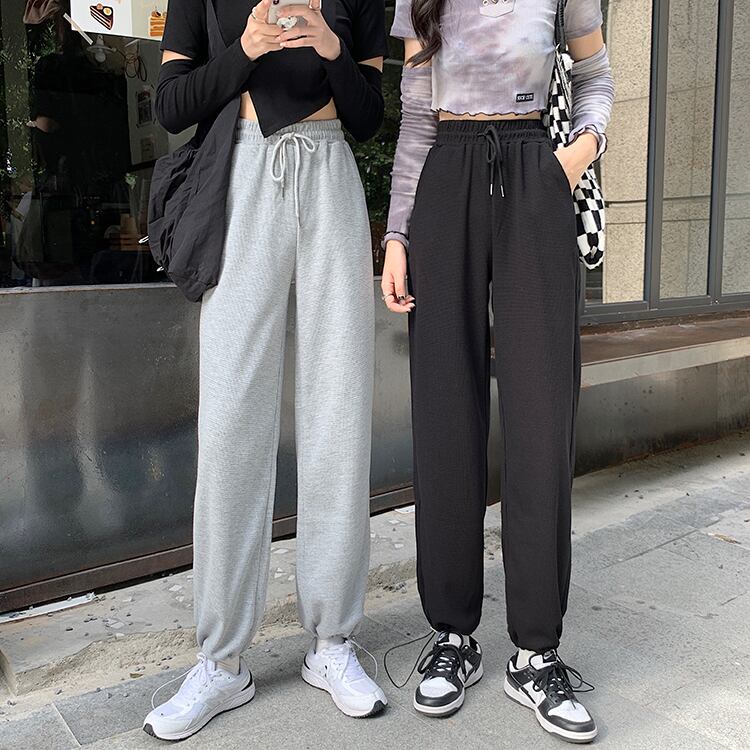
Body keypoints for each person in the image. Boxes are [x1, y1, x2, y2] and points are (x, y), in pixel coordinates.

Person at [142, 0, 389, 740]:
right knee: (228, 423)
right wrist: (244, 49)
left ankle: (332, 640)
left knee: (339, 410)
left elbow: (370, 115)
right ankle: (222, 660)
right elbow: (171, 104)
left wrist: (333, 50)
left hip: (331, 177)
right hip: (240, 176)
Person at [381, 0, 614, 743]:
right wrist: (397, 233)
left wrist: (573, 156)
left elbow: (597, 78)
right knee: (445, 413)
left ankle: (536, 651)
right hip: (445, 178)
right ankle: (453, 635)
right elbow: (416, 119)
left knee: (542, 417)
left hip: (534, 174)